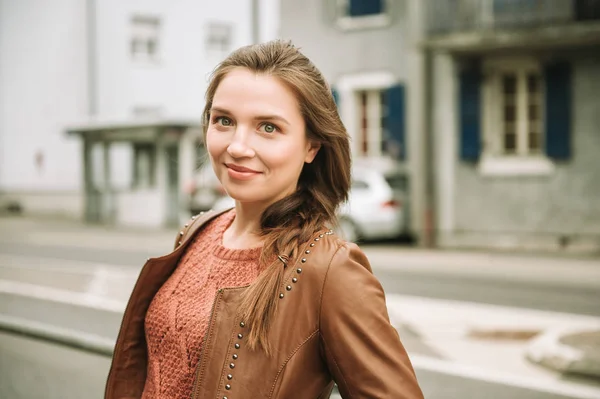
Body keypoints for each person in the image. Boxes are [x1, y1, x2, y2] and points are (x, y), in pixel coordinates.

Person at [104, 40, 423, 399]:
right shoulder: (197, 233)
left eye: (268, 127)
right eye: (223, 120)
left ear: (311, 146)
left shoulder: (329, 269)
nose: (237, 146)